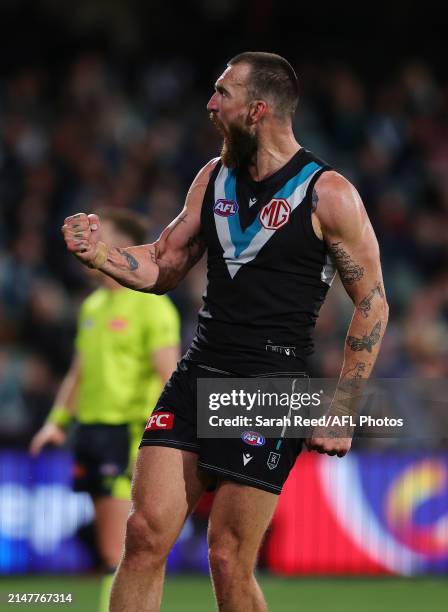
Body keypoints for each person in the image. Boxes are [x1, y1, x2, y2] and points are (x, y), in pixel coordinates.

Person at [62, 52, 389, 612]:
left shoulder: (328, 193)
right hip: (199, 369)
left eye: (222, 94)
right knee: (144, 535)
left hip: (270, 385)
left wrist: (343, 406)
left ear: (258, 110)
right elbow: (165, 261)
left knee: (227, 556)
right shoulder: (213, 178)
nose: (211, 105)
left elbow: (373, 304)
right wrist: (103, 254)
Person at [30, 208, 180, 612]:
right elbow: (79, 371)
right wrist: (56, 422)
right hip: (93, 432)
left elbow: (169, 376)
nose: (88, 243)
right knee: (108, 548)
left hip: (129, 433)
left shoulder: (151, 307)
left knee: (120, 550)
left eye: (101, 236)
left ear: (124, 249)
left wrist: (161, 437)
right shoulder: (92, 307)